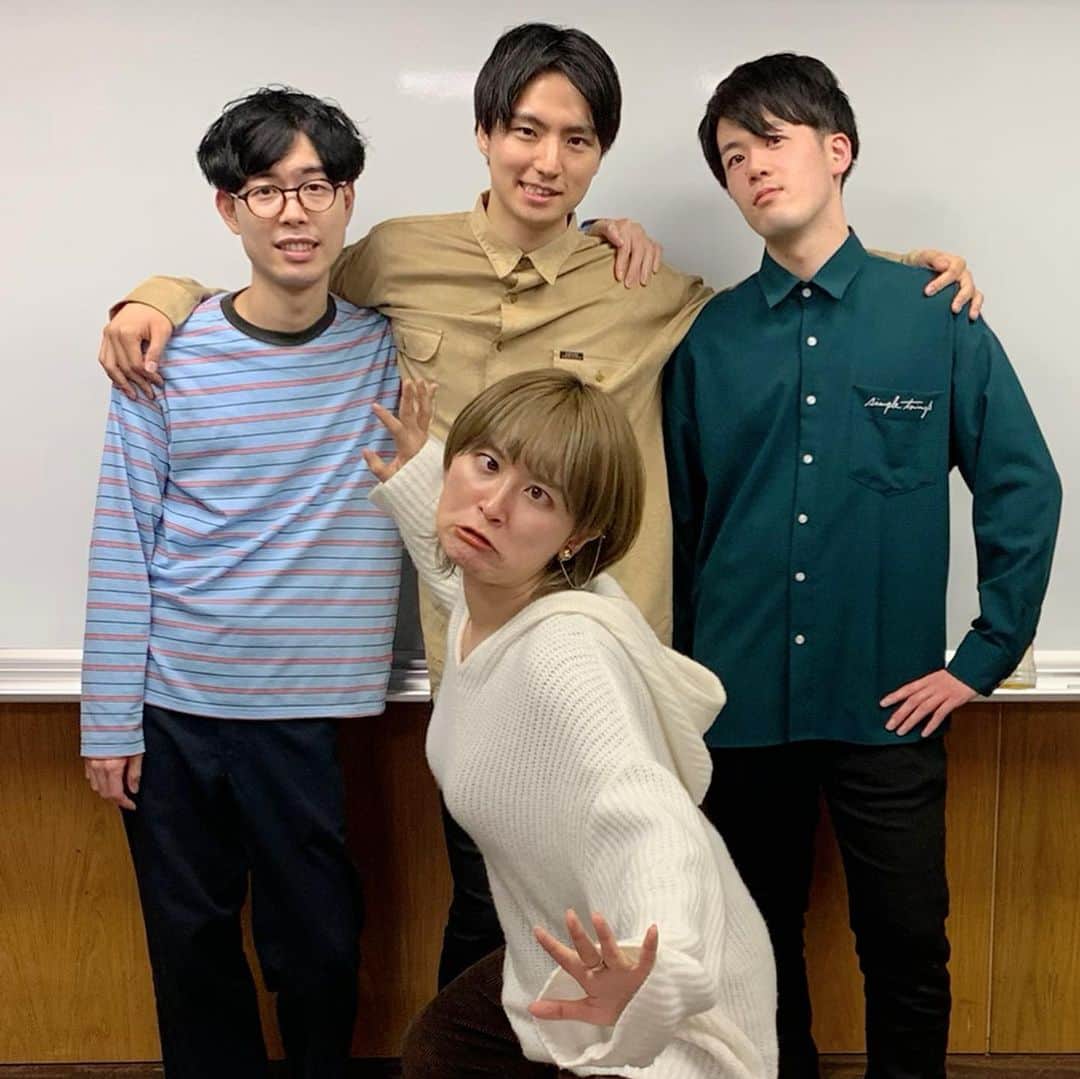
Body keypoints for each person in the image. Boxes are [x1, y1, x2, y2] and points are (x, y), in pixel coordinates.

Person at [91, 24, 980, 988]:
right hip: (474, 666)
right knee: (486, 915)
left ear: (600, 155)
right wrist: (159, 295)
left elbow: (784, 300)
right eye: (525, 130)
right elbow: (282, 277)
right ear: (484, 133)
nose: (547, 161)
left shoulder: (640, 283)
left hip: (608, 672)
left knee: (626, 921)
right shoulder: (398, 257)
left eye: (577, 139)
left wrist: (901, 276)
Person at [663, 54, 1062, 1079]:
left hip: (888, 703)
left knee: (907, 946)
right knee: (754, 955)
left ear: (836, 150)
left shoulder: (933, 313)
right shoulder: (707, 339)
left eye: (772, 141)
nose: (753, 168)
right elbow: (684, 527)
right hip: (739, 706)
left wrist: (983, 656)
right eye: (732, 157)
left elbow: (1023, 484)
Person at [80, 87, 401, 1078]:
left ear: (348, 199)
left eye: (315, 186)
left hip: (309, 710)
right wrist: (108, 719)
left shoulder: (390, 345)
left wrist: (606, 233)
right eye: (266, 189)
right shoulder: (166, 354)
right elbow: (124, 533)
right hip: (176, 705)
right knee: (191, 951)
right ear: (229, 208)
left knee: (321, 952)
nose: (293, 212)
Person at [365, 372, 777, 1078]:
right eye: (486, 463)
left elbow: (652, 820)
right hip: (567, 953)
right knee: (440, 1045)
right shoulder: (492, 604)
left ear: (577, 536)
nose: (492, 506)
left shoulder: (564, 661)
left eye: (539, 496)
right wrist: (419, 476)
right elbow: (455, 580)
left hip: (659, 1000)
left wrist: (655, 968)